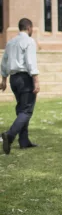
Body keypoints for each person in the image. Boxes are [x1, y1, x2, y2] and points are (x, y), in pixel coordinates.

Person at [1, 18, 40, 155]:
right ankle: (10, 135)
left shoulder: (10, 42)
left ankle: (24, 141)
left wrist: (4, 79)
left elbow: (4, 61)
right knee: (27, 111)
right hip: (25, 78)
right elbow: (30, 62)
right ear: (29, 28)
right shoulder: (29, 41)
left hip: (14, 79)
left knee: (21, 109)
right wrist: (36, 80)